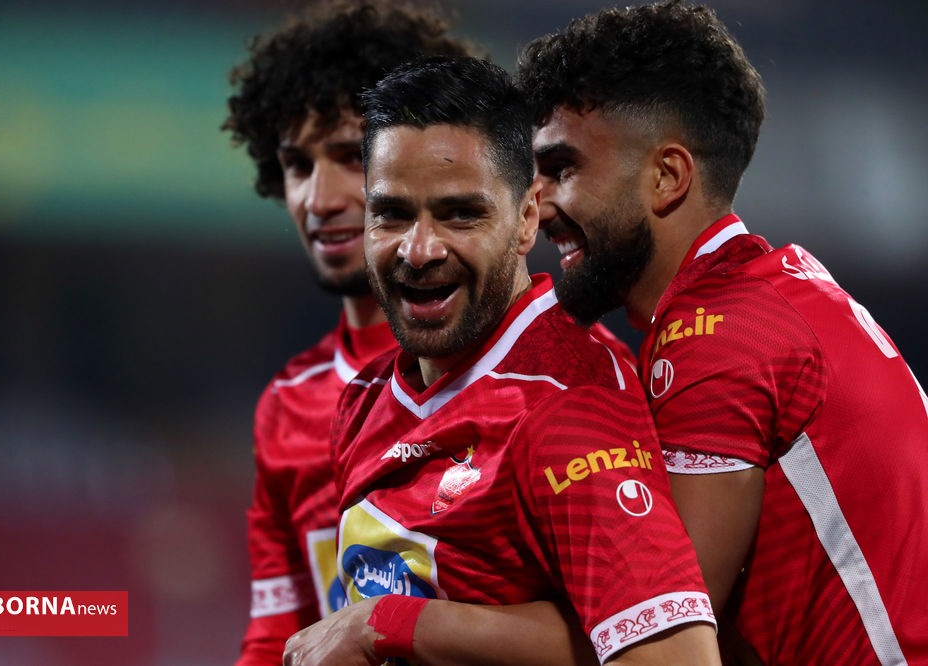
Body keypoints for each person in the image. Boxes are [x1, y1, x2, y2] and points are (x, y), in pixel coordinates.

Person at [517, 1, 928, 663]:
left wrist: (399, 623)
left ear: (667, 177)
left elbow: (657, 639)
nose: (537, 206)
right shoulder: (776, 289)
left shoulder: (717, 338)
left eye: (562, 169)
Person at [284, 55, 720, 666]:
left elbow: (677, 659)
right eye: (392, 214)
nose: (419, 250)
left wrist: (391, 623)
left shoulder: (566, 407)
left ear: (526, 217)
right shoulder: (365, 399)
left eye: (461, 213)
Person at [222, 3, 475, 662]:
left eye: (349, 156)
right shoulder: (288, 406)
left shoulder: (535, 366)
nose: (319, 198)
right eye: (297, 165)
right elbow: (276, 638)